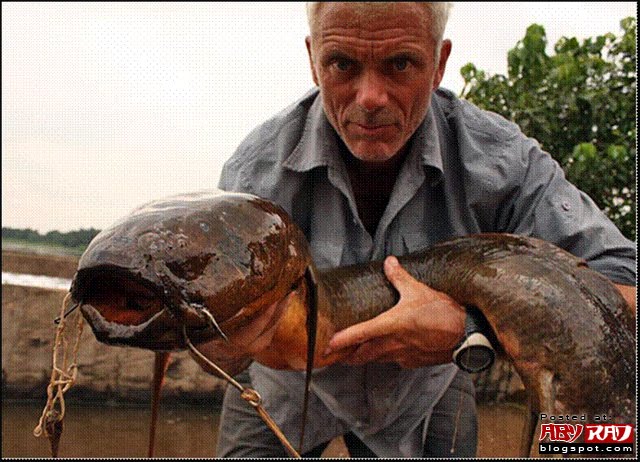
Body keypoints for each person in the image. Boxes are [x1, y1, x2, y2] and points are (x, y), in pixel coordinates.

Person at [201, 2, 636, 457]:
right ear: (314, 61)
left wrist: (467, 330)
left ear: (439, 63)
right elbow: (214, 344)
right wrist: (225, 341)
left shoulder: (502, 161)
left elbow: (628, 289)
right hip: (284, 388)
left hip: (429, 388)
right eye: (342, 64)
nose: (370, 98)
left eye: (400, 64)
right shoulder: (254, 176)